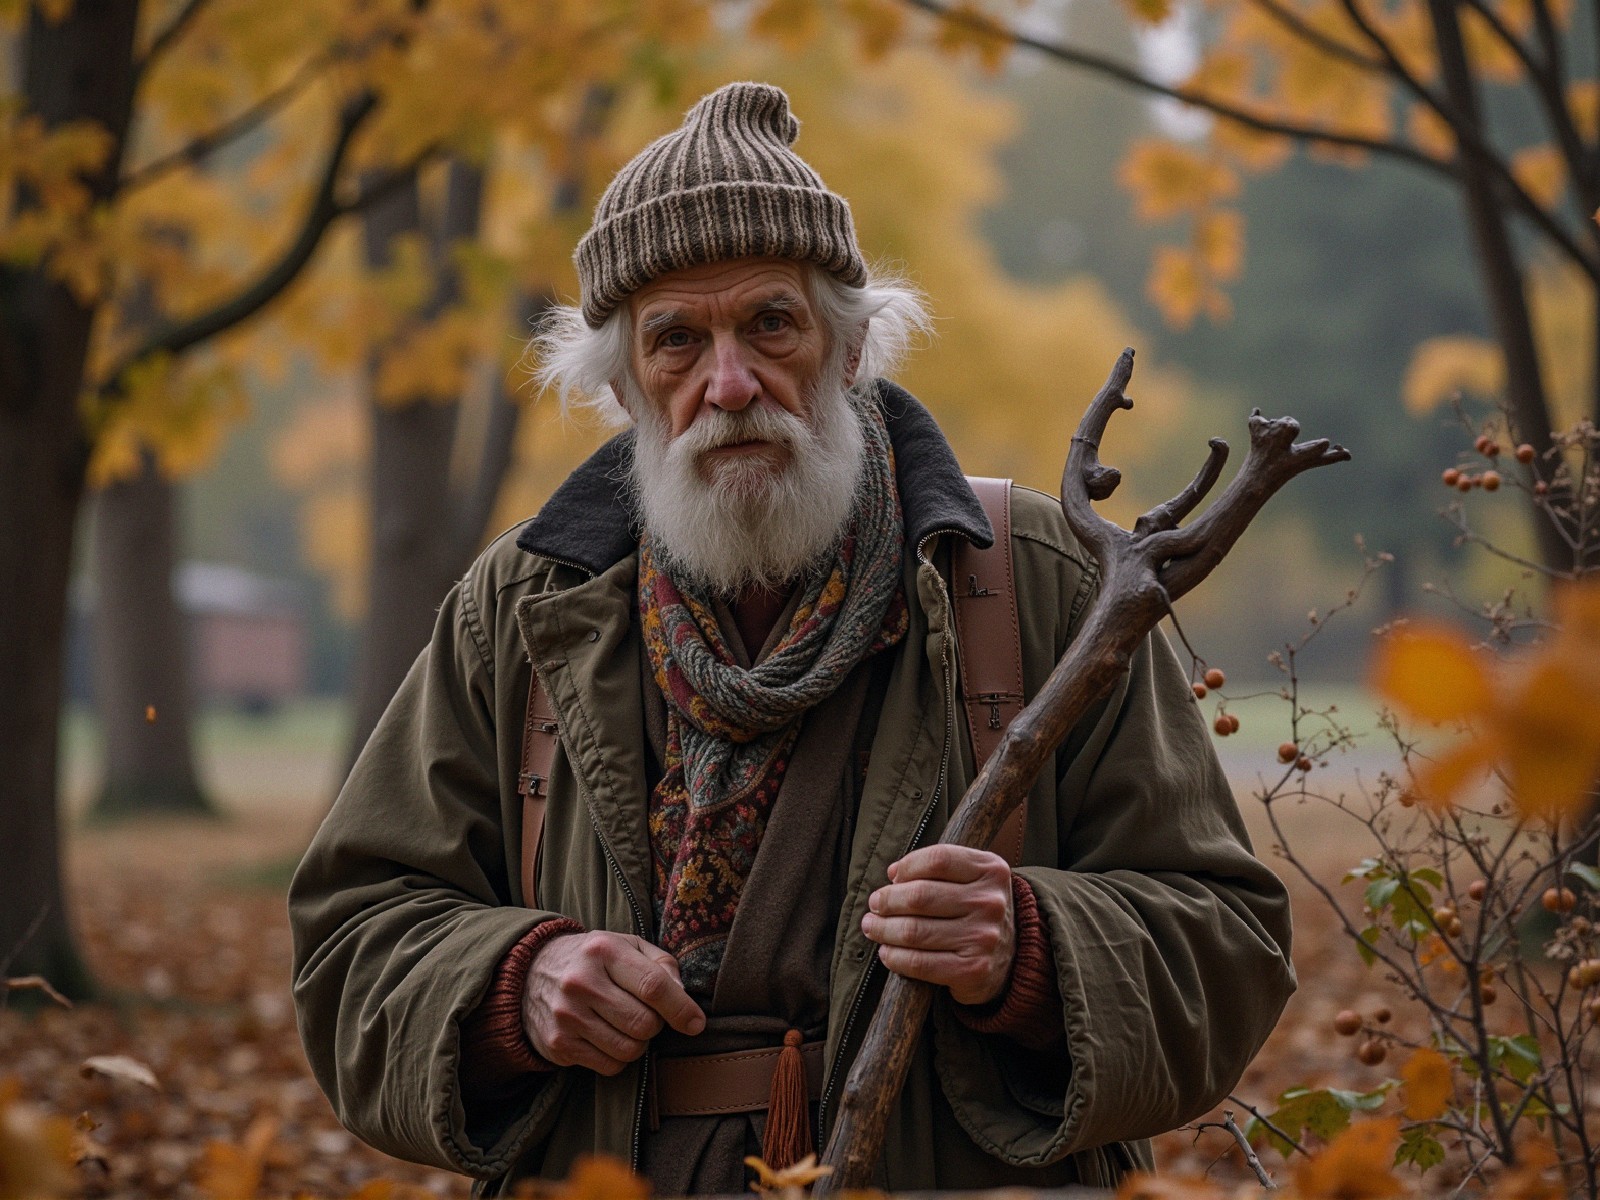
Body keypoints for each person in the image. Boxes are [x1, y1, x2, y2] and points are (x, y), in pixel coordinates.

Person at [289, 80, 1295, 1197]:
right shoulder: (520, 609)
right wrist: (510, 986)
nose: (729, 385)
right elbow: (350, 945)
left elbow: (1228, 942)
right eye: (676, 341)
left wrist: (1032, 949)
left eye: (771, 323)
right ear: (621, 386)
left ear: (852, 348)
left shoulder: (1036, 581)